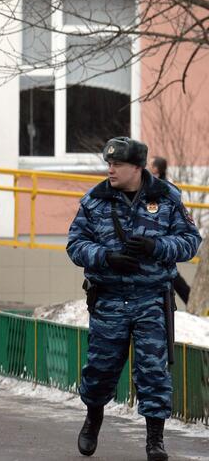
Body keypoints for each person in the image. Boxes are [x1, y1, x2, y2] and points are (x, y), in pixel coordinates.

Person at [67, 137, 200, 460]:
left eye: (118, 165)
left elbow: (190, 241)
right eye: (108, 163)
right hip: (109, 298)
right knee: (100, 369)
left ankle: (155, 439)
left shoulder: (166, 198)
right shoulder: (95, 200)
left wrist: (158, 248)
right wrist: (106, 256)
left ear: (137, 168)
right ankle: (93, 417)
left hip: (150, 298)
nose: (110, 169)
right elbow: (75, 245)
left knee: (153, 372)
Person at [148, 156, 190, 304]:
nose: (148, 165)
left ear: (156, 168)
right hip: (161, 237)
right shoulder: (155, 183)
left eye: (151, 164)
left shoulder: (160, 186)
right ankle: (187, 298)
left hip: (162, 236)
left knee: (171, 273)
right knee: (172, 274)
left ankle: (188, 299)